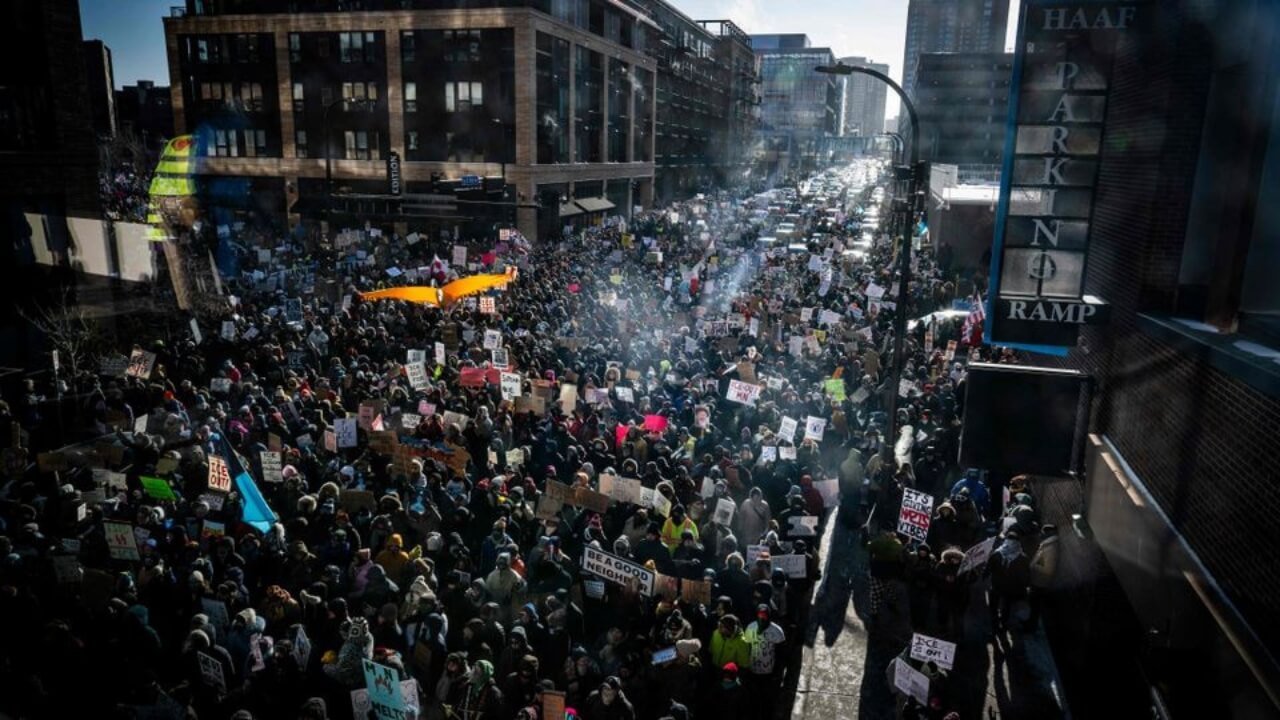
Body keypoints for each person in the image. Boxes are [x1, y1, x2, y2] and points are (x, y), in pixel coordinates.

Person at [743, 604, 786, 719]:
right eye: (759, 615)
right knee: (753, 698)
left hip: (769, 672)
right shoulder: (751, 627)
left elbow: (781, 653)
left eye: (764, 616)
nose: (762, 619)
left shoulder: (777, 631)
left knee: (767, 699)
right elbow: (747, 647)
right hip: (752, 670)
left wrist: (777, 671)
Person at [1026, 524, 1059, 629]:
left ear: (1049, 533)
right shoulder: (1049, 545)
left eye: (1043, 533)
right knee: (1033, 604)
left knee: (1035, 605)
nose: (1041, 535)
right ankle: (1030, 623)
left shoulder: (1051, 549)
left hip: (1040, 582)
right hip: (1039, 580)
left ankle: (1031, 626)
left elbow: (1047, 569)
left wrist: (1034, 565)